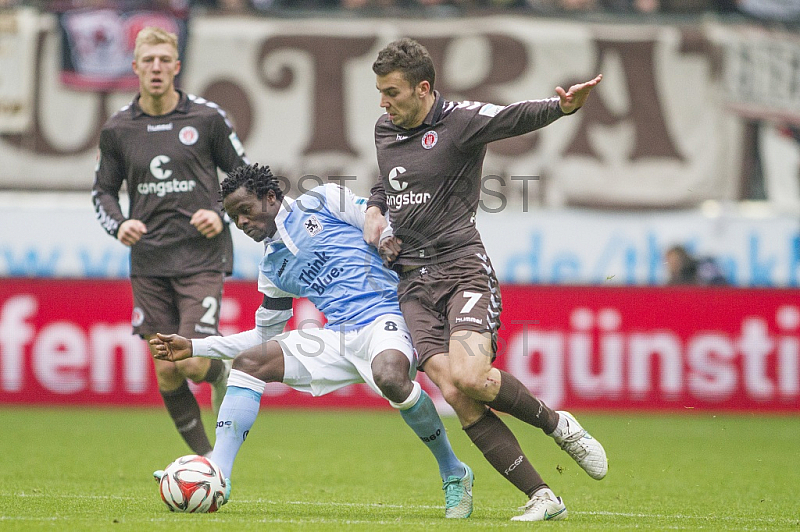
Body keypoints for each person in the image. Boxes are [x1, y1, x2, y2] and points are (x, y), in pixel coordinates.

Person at [362, 38, 608, 522]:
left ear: (423, 88)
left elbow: (511, 117)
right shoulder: (385, 129)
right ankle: (544, 496)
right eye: (380, 91)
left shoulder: (459, 122)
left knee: (471, 377)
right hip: (412, 283)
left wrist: (559, 107)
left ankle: (560, 426)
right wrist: (374, 209)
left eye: (391, 91)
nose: (383, 102)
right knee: (454, 392)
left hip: (461, 268)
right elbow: (389, 180)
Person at [150, 163, 475, 518]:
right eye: (234, 218)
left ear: (270, 197)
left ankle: (453, 471)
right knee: (251, 363)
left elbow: (378, 222)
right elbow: (263, 336)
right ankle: (219, 475)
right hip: (336, 337)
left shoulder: (322, 200)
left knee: (390, 377)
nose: (241, 222)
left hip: (387, 314)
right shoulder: (272, 268)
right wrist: (195, 346)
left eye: (245, 210)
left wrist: (388, 245)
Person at [92, 26, 248, 457]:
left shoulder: (206, 118)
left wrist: (221, 214)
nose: (156, 68)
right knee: (167, 372)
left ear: (177, 67)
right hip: (149, 263)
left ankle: (219, 374)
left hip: (201, 258)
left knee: (194, 364)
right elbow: (102, 190)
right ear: (136, 68)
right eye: (148, 61)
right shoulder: (118, 128)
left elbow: (244, 178)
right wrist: (119, 224)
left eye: (164, 61)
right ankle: (207, 465)